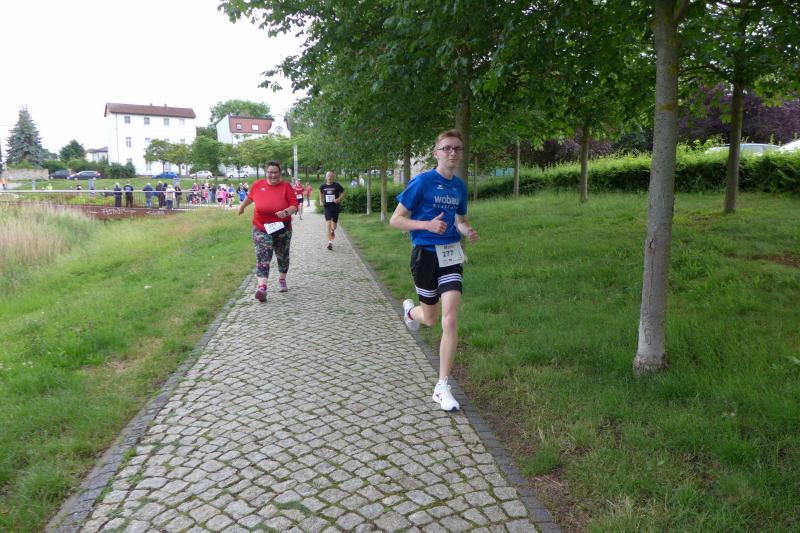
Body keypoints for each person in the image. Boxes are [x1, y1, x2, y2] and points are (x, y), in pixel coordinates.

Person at [389, 129, 479, 412]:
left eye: (457, 149)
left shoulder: (459, 186)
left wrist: (466, 229)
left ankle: (442, 386)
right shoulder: (422, 182)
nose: (452, 153)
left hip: (450, 254)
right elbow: (396, 220)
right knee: (430, 318)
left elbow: (460, 219)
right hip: (425, 256)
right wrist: (426, 225)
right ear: (436, 153)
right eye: (447, 148)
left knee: (450, 318)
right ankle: (410, 313)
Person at [238, 161, 299, 301]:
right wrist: (242, 206)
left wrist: (286, 212)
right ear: (266, 173)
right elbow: (250, 198)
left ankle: (282, 279)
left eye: (275, 172)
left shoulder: (286, 187)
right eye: (270, 172)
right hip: (261, 227)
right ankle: (262, 288)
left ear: (280, 173)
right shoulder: (257, 185)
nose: (273, 175)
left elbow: (294, 205)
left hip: (282, 228)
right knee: (263, 255)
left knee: (282, 255)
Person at [319, 171, 345, 250]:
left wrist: (339, 199)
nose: (329, 177)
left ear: (333, 177)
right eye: (328, 176)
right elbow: (321, 193)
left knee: (334, 225)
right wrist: (321, 201)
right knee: (328, 224)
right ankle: (329, 242)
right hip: (327, 207)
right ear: (326, 177)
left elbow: (343, 193)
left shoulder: (337, 185)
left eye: (331, 176)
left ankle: (333, 231)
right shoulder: (322, 186)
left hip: (335, 207)